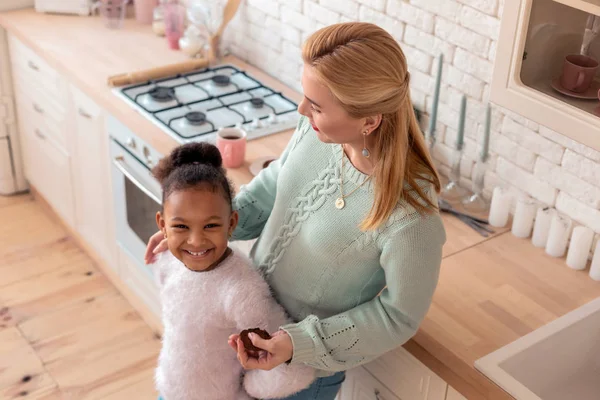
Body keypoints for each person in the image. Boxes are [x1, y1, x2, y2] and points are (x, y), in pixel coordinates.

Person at [146, 21, 446, 400]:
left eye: (317, 106)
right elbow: (273, 186)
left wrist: (295, 343)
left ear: (369, 120)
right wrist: (199, 232)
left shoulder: (411, 216)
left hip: (300, 370)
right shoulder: (316, 131)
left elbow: (398, 316)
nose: (302, 110)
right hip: (246, 326)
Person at [148, 142, 315, 400]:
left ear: (231, 223)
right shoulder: (167, 256)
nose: (195, 241)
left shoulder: (241, 292)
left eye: (210, 225)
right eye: (181, 226)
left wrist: (251, 388)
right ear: (163, 224)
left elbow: (289, 370)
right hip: (170, 389)